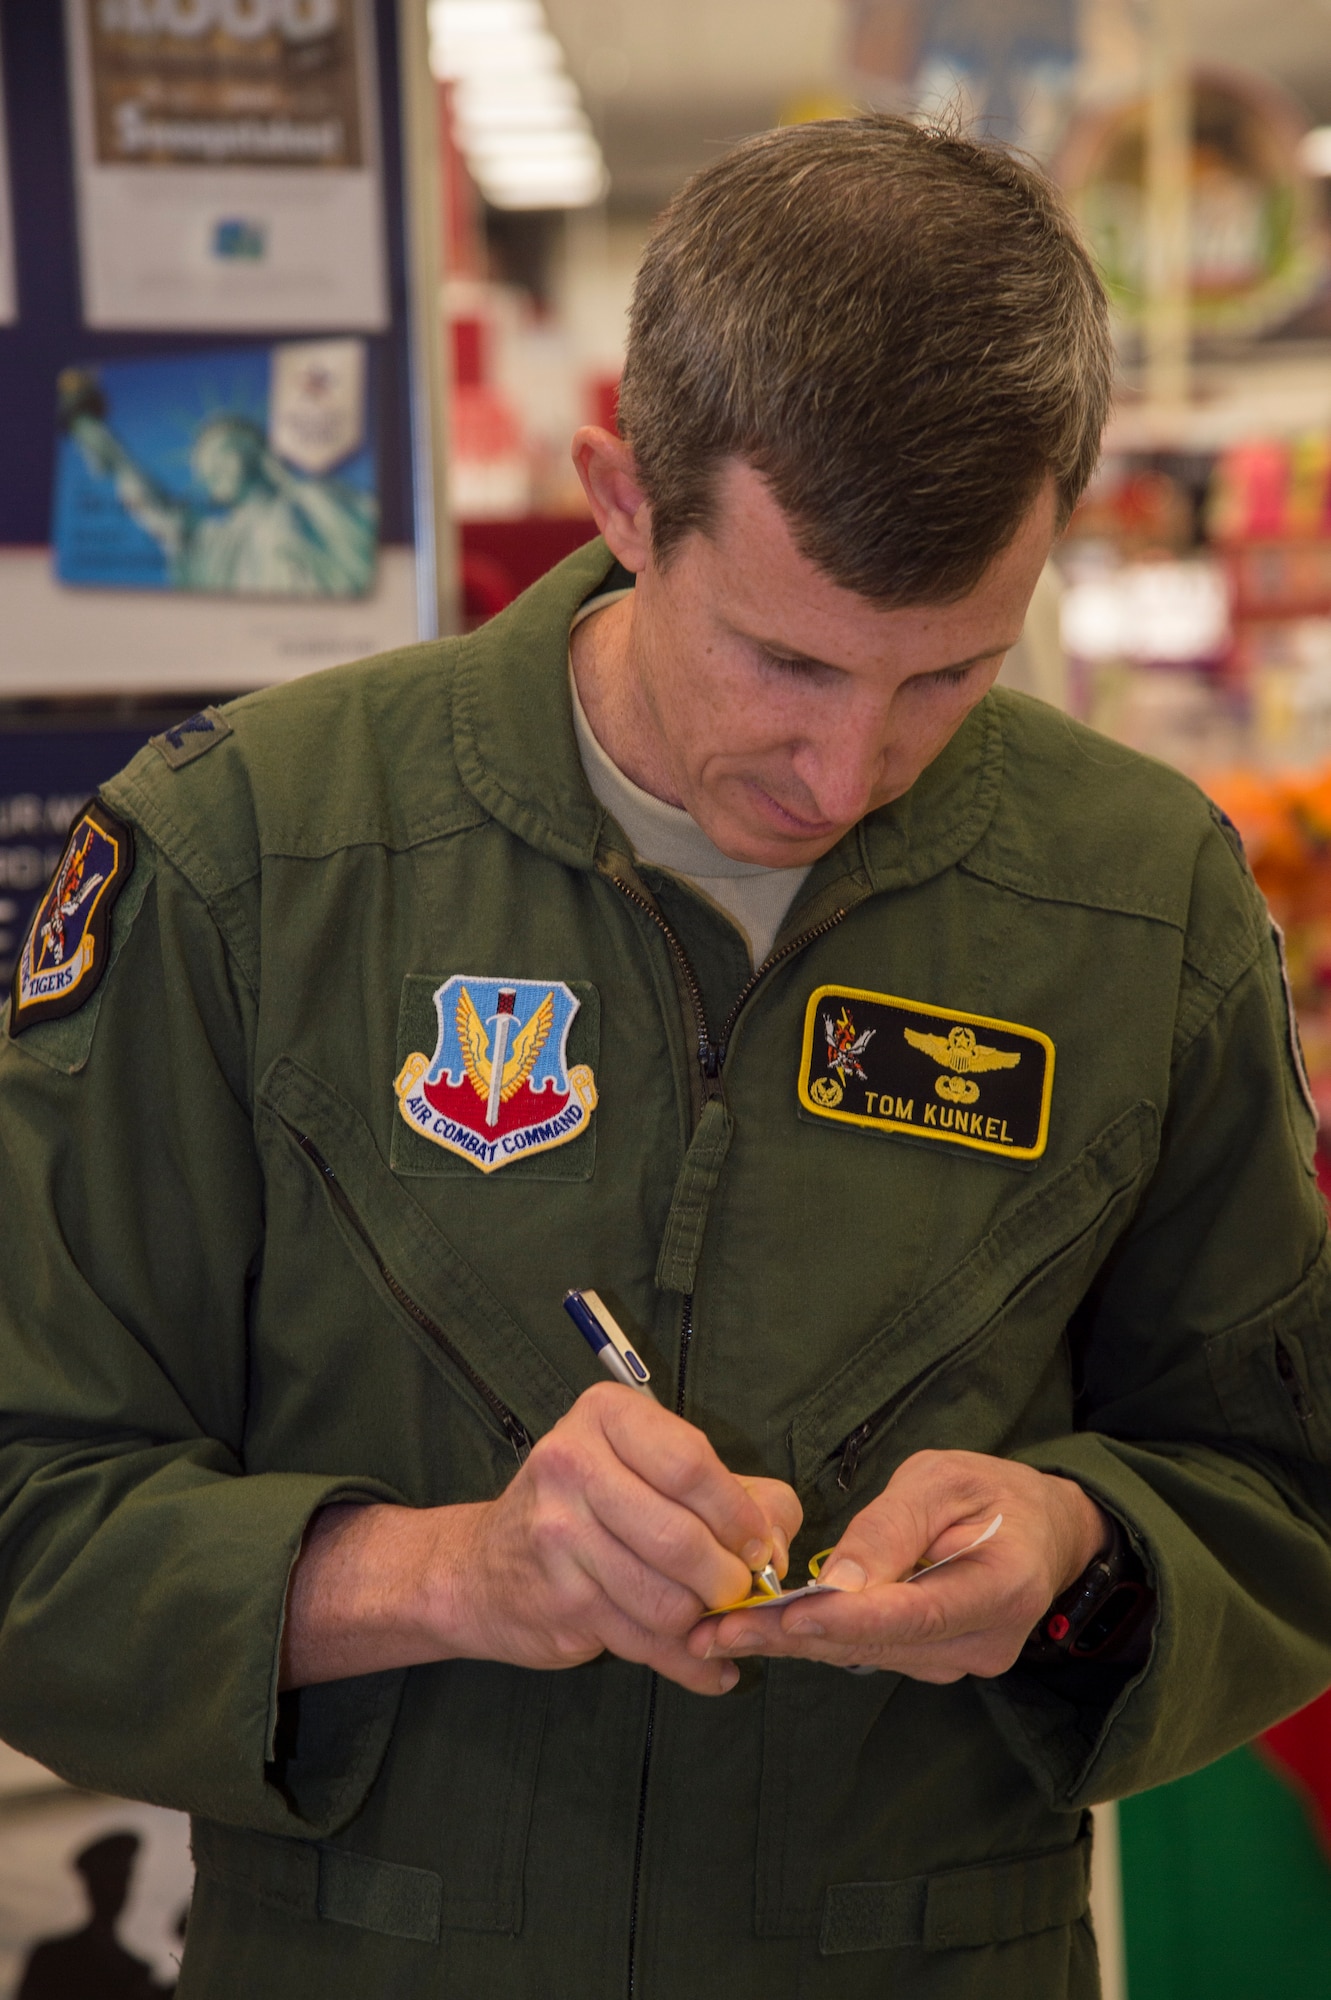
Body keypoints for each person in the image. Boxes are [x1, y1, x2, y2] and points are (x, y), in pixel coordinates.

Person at [2, 115, 1330, 2000]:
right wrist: (450, 1572)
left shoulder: (1143, 899)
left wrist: (1081, 1549)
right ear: (622, 497)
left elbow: (1281, 1488)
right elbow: (29, 1508)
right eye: (787, 662)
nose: (848, 772)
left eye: (951, 673)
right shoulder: (254, 860)